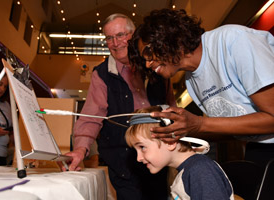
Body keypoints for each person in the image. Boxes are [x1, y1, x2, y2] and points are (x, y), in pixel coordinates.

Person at [128, 8, 274, 169]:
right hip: (259, 147)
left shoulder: (234, 41)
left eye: (148, 52)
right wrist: (181, 131)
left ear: (168, 36)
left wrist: (199, 124)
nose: (148, 64)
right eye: (144, 60)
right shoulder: (191, 81)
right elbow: (230, 128)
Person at [62, 13, 176, 200]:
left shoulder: (155, 64)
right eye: (109, 38)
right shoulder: (101, 74)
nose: (115, 43)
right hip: (123, 163)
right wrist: (80, 149)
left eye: (121, 35)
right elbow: (92, 115)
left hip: (159, 157)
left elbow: (171, 107)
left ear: (133, 35)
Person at [125, 105, 234, 200]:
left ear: (170, 141)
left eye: (142, 147)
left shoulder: (200, 170)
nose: (138, 158)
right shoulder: (187, 171)